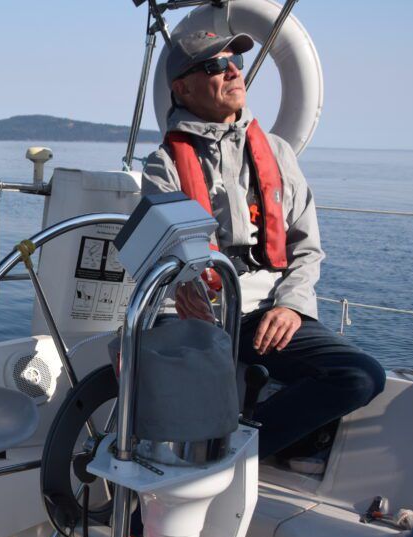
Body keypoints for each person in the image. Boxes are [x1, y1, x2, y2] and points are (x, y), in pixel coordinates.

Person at [141, 30, 385, 472]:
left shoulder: (277, 152)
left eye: (235, 60)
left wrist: (291, 306)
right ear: (183, 87)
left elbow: (306, 249)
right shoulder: (163, 165)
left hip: (264, 314)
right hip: (199, 316)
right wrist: (183, 285)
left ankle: (235, 449)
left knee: (360, 376)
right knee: (166, 404)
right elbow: (165, 250)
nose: (234, 70)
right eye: (215, 66)